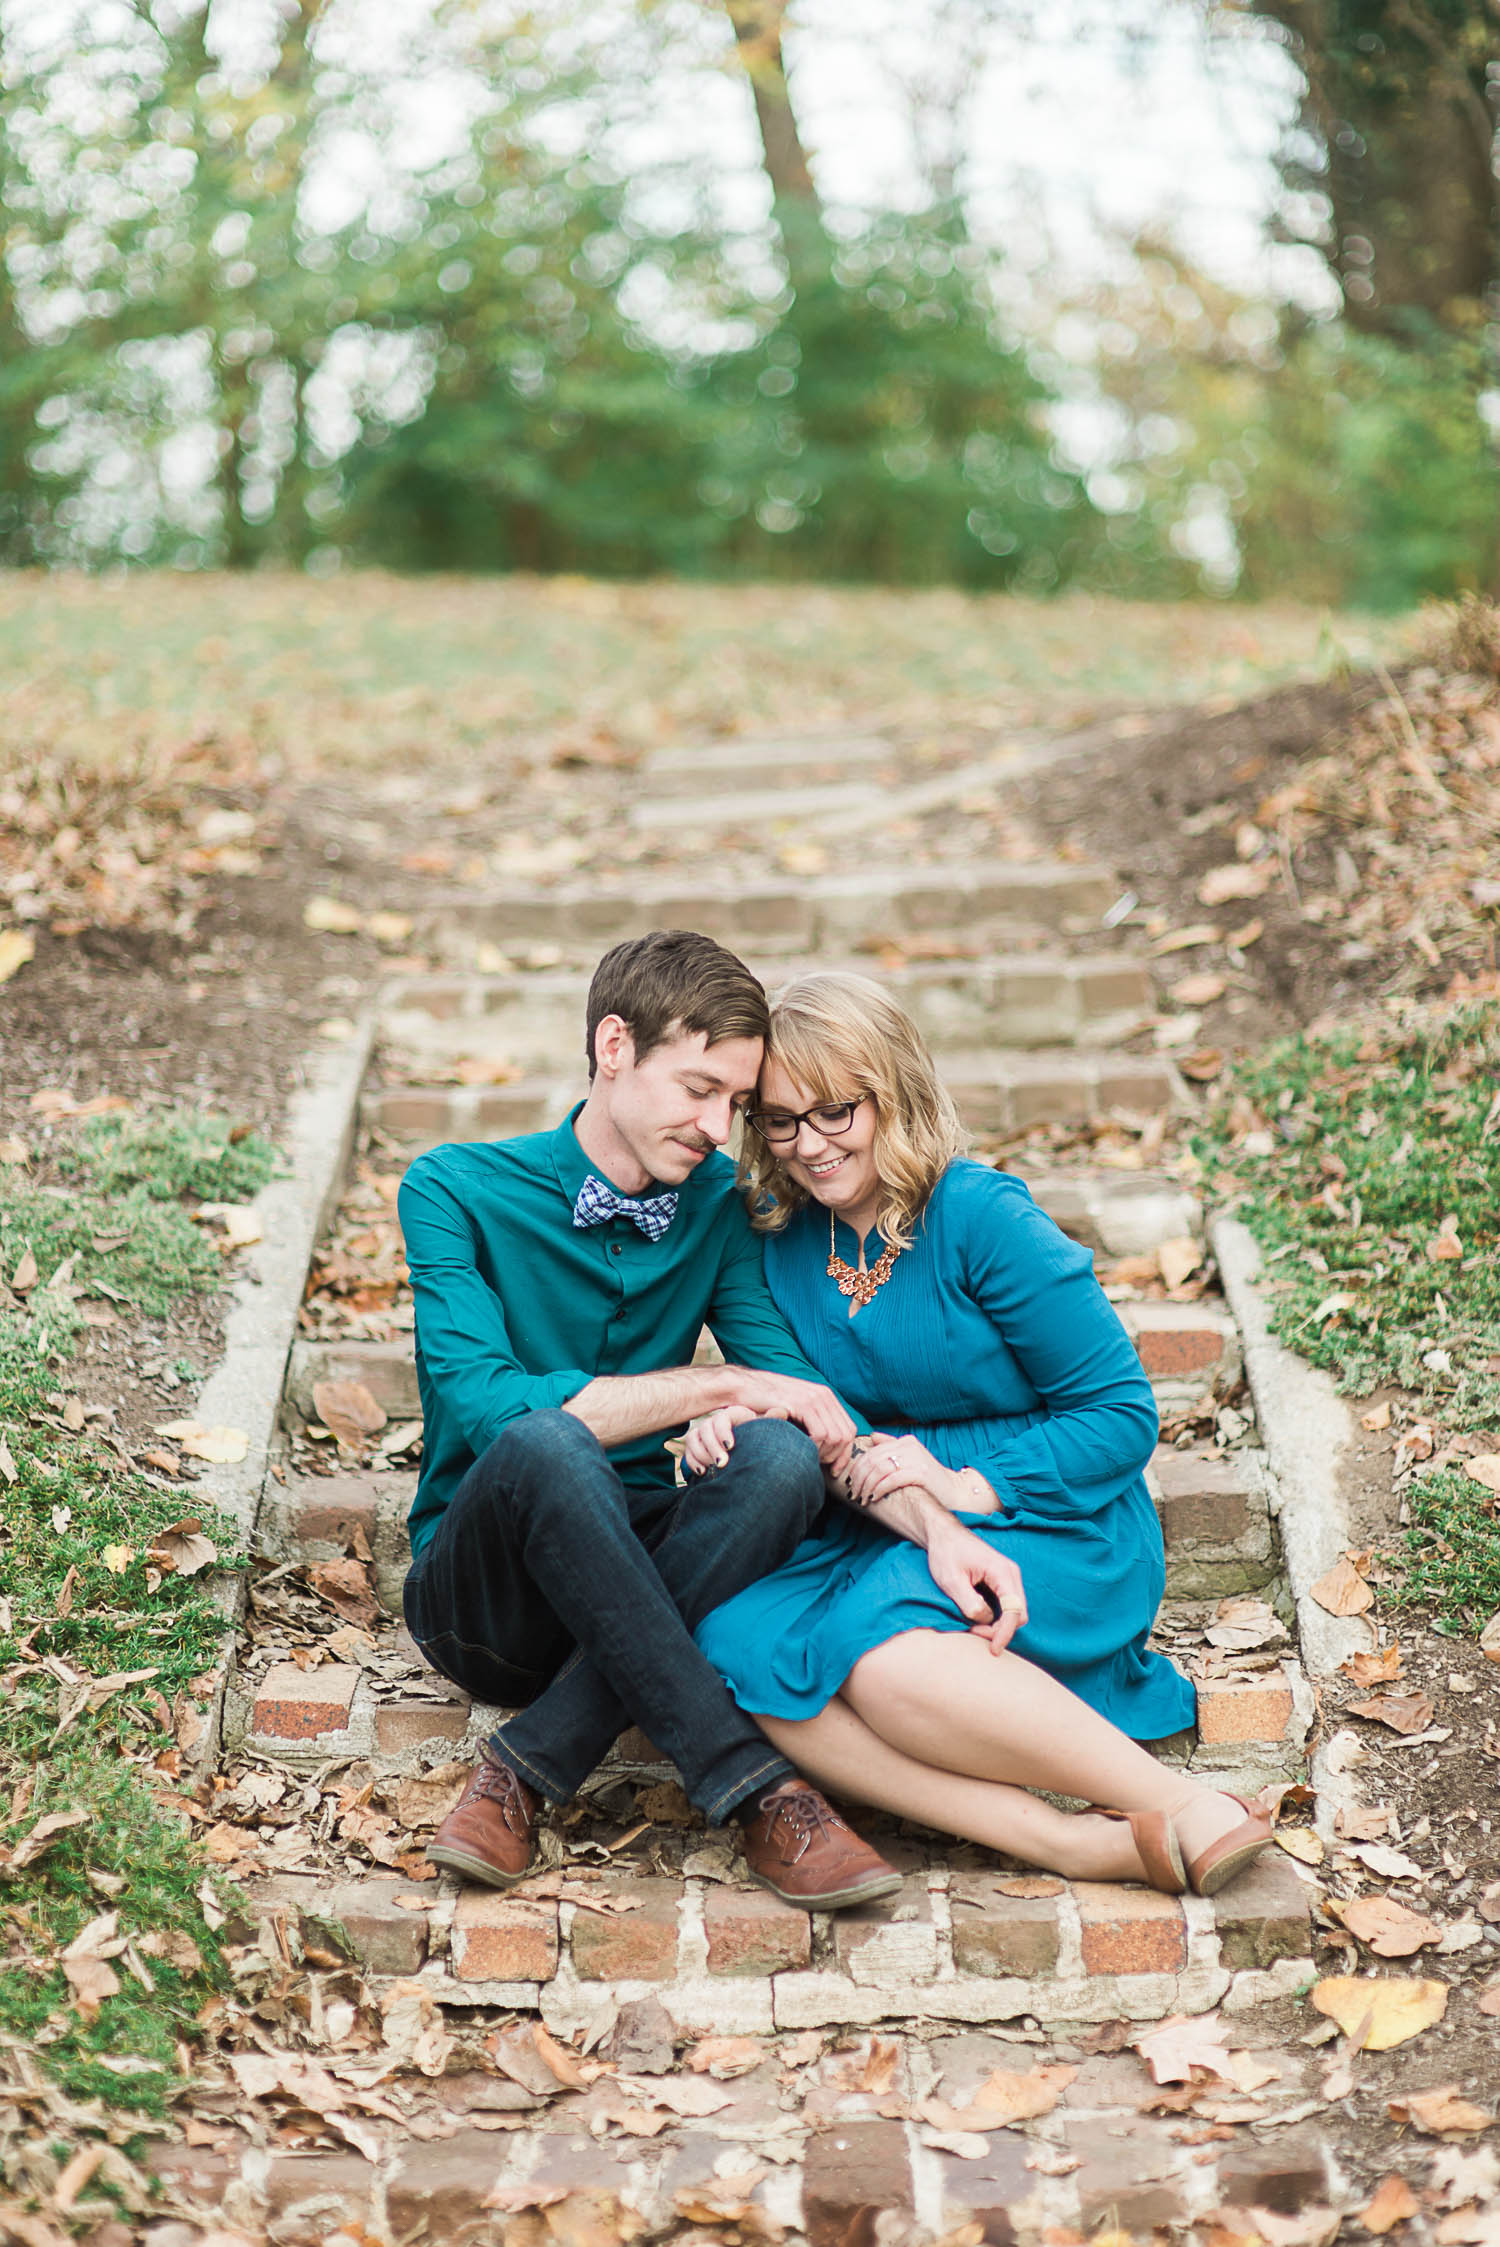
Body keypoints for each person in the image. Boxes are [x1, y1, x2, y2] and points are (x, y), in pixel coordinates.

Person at [399, 929, 1005, 1911]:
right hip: (488, 1594)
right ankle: (755, 1789)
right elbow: (488, 1404)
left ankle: (524, 1766)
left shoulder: (717, 1204)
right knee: (550, 1440)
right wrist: (717, 1389)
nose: (719, 1128)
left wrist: (936, 1531)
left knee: (778, 1457)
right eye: (697, 1090)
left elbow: (811, 1405)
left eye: (734, 1103)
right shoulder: (453, 1189)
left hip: (646, 1569)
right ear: (612, 1050)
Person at [690, 971, 1273, 1897]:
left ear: (895, 1091)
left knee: (878, 1662)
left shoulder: (980, 1218)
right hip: (879, 1519)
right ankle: (1069, 1844)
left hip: (1053, 1516)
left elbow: (1122, 1414)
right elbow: (815, 1412)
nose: (810, 1145)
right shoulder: (777, 1240)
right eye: (780, 1120)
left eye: (837, 1111)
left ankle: (1180, 1802)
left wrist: (972, 1482)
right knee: (735, 1647)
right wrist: (739, 1411)